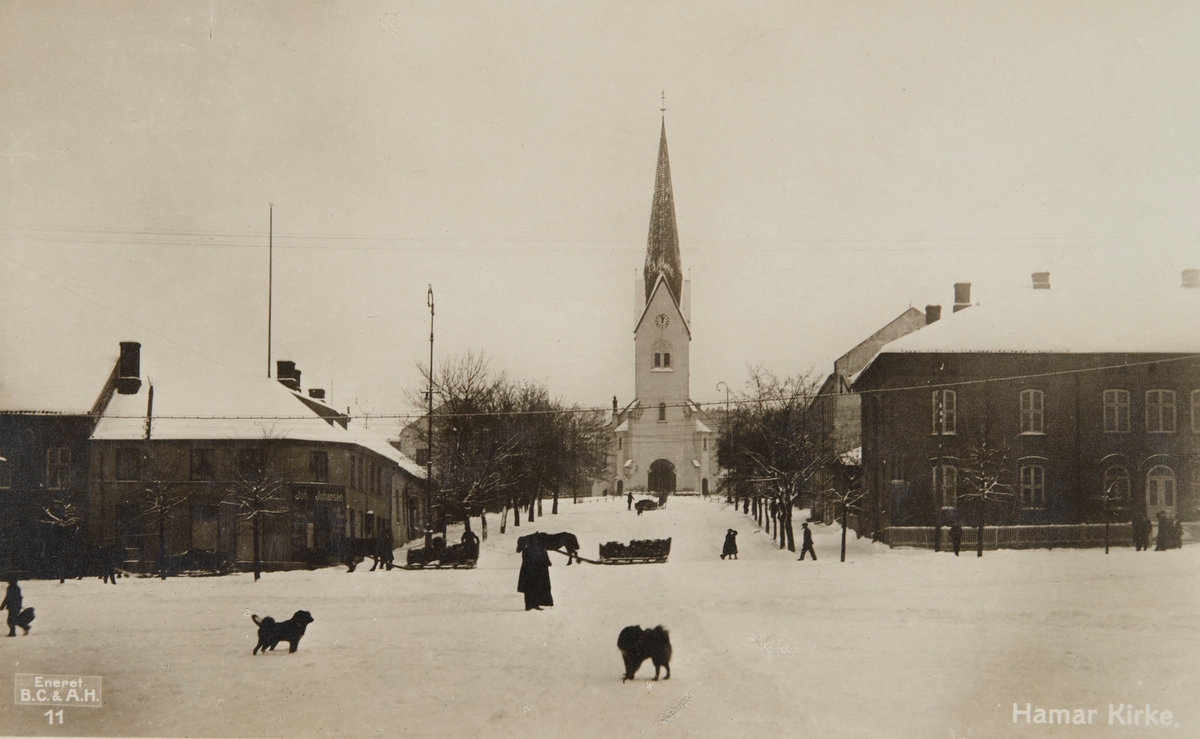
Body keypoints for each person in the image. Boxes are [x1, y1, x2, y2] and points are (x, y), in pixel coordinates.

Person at [517, 538, 553, 611]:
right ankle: (530, 605)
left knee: (532, 589)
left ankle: (532, 605)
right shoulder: (536, 549)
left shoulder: (531, 549)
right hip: (532, 572)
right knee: (532, 589)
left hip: (532, 572)